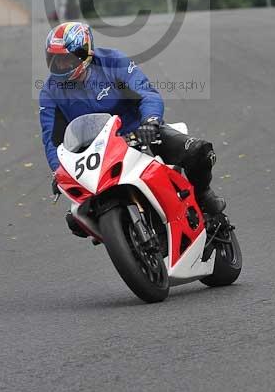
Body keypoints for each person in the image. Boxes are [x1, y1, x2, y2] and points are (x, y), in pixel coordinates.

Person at [39, 21, 225, 238]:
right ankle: (123, 235)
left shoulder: (113, 62)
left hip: (139, 133)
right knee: (77, 219)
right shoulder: (50, 91)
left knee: (198, 151)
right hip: (98, 155)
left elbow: (147, 93)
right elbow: (52, 140)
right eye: (55, 60)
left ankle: (202, 194)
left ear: (84, 53)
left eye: (66, 59)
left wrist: (151, 121)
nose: (60, 66)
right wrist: (58, 170)